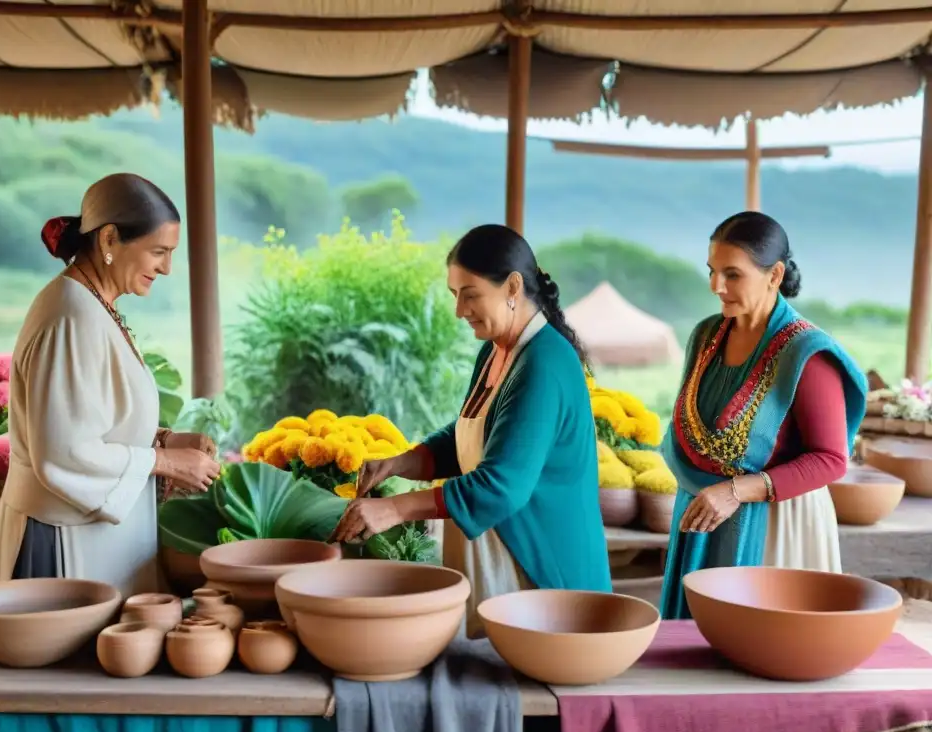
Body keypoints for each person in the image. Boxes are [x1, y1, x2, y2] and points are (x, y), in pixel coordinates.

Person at [330, 223, 612, 637]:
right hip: (503, 556)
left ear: (513, 287)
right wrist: (401, 463)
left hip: (546, 575)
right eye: (454, 294)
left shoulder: (544, 362)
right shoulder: (497, 350)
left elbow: (502, 485)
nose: (459, 310)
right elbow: (471, 435)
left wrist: (393, 509)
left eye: (471, 294)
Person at [0, 173, 221, 597]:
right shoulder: (69, 318)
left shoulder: (93, 304)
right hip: (64, 541)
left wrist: (164, 440)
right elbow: (64, 450)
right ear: (110, 239)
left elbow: (90, 418)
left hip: (93, 536)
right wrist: (165, 463)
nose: (167, 268)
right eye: (159, 251)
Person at [660, 211, 867, 620]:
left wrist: (735, 490)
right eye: (712, 271)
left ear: (774, 275)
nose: (716, 286)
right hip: (702, 509)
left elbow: (830, 459)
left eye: (732, 274)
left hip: (775, 523)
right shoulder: (706, 335)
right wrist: (712, 492)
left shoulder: (805, 353)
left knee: (760, 644)